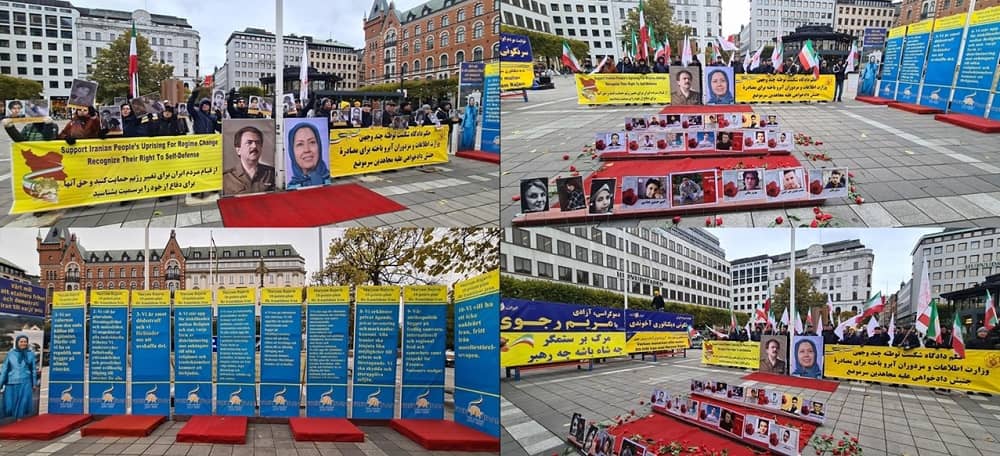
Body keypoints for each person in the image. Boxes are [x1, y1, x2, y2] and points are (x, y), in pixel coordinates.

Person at [223, 126, 275, 195]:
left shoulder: (271, 174)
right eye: (249, 142)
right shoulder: (226, 178)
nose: (254, 146)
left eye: (258, 142)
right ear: (238, 150)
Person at [0, 335, 39, 420]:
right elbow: (4, 369)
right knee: (10, 405)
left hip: (26, 381)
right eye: (21, 341)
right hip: (11, 382)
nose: (23, 343)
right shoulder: (10, 354)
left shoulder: (30, 354)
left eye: (25, 341)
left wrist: (34, 383)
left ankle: (19, 421)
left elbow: (33, 370)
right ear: (17, 342)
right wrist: (1, 383)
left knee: (23, 403)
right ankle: (13, 419)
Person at [286, 122, 330, 189]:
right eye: (300, 144)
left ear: (319, 146)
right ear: (292, 151)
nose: (307, 150)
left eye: (312, 142)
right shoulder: (291, 186)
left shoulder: (331, 180)